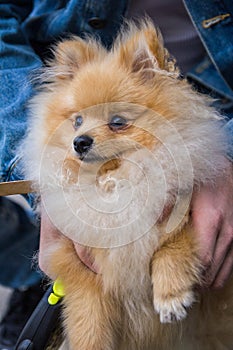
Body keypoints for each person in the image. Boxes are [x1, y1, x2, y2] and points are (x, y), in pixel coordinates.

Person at [0, 0, 232, 348]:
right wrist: (51, 187)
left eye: (118, 123)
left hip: (214, 109)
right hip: (44, 73)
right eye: (79, 121)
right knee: (74, 271)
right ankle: (35, 287)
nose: (84, 135)